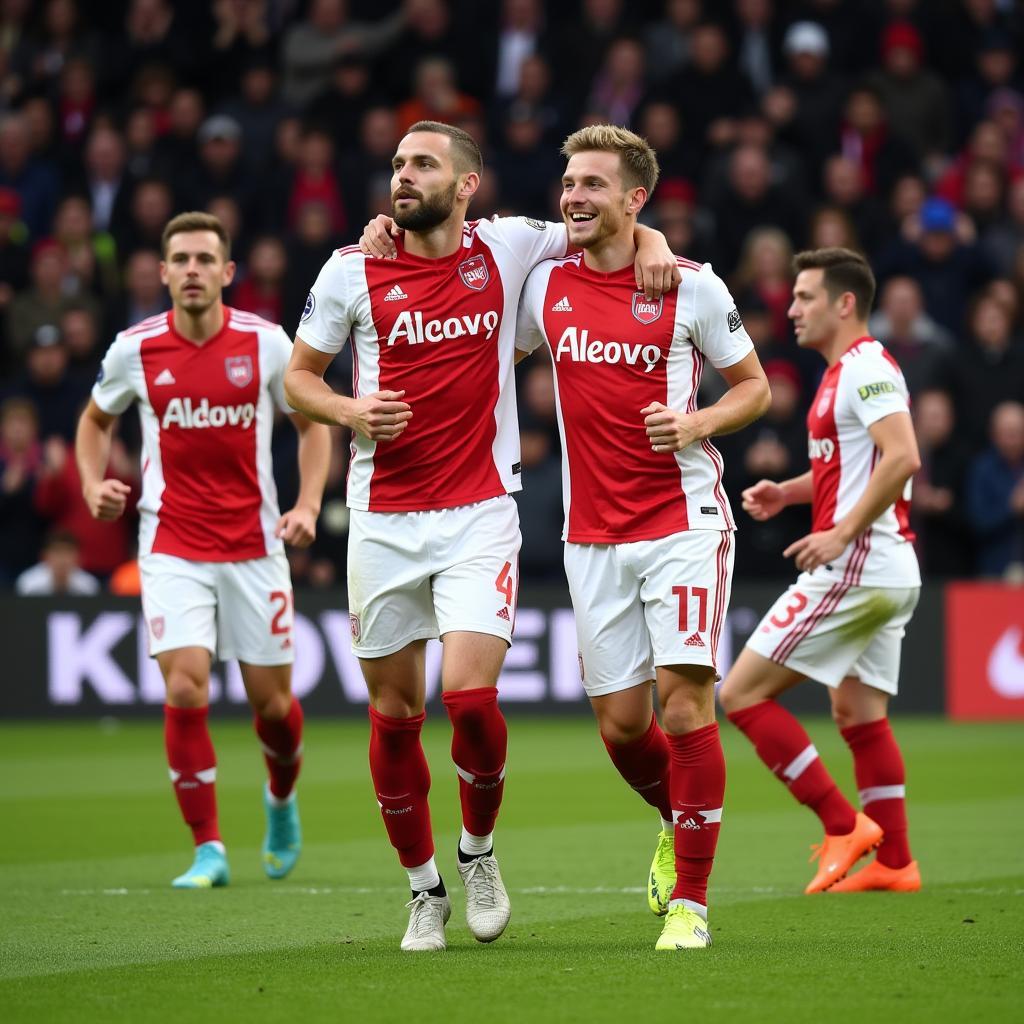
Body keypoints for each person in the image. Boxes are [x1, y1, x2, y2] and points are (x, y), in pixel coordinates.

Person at [283, 119, 678, 952]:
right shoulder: (352, 268)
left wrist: (654, 236)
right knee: (394, 716)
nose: (403, 176)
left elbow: (601, 223)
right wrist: (353, 411)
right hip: (383, 516)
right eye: (396, 164)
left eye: (423, 164)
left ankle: (478, 852)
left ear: (467, 185)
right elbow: (298, 381)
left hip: (478, 511)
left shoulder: (509, 247)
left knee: (468, 700)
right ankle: (423, 889)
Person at [515, 125, 770, 951]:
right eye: (568, 183)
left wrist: (695, 421)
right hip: (590, 533)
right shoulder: (543, 287)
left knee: (685, 701)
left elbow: (755, 388)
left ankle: (692, 904)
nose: (574, 196)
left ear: (634, 198)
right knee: (623, 726)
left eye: (593, 183)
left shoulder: (690, 287)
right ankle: (675, 816)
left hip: (681, 522)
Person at [75, 211, 331, 889]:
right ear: (162, 273)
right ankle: (209, 849)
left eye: (203, 259)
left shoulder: (267, 344)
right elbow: (95, 421)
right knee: (185, 681)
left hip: (254, 544)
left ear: (227, 273)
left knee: (272, 706)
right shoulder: (135, 348)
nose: (191, 270)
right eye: (180, 259)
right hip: (172, 543)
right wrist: (91, 480)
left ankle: (280, 799)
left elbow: (313, 427)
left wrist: (306, 505)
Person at [718, 247, 923, 895]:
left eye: (806, 297)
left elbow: (903, 457)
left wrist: (839, 532)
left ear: (844, 304)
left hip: (862, 564)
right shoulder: (844, 373)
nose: (793, 307)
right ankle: (896, 863)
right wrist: (792, 493)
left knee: (741, 694)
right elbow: (857, 467)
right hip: (889, 566)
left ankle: (843, 825)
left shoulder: (864, 370)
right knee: (857, 713)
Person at [15, 528, 99, 595]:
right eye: (57, 552)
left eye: (68, 552)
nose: (62, 559)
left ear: (78, 557)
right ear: (45, 556)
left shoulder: (88, 585)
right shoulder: (29, 583)